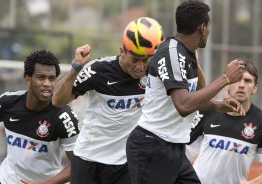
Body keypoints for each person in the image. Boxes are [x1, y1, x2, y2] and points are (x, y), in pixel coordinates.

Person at [125, 1, 246, 184]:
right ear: (203, 27)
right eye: (209, 26)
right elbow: (183, 105)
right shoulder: (171, 53)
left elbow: (188, 99)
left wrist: (216, 105)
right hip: (152, 146)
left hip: (172, 147)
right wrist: (225, 79)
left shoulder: (187, 54)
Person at [52, 17, 164, 184]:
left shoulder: (155, 72)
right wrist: (76, 67)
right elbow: (57, 101)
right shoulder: (99, 70)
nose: (140, 67)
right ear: (122, 51)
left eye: (145, 60)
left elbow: (195, 91)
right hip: (88, 159)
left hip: (126, 163)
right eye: (135, 60)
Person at [0, 49, 80, 184]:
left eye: (52, 78)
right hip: (6, 179)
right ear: (28, 78)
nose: (47, 84)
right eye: (41, 77)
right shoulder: (8, 101)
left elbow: (78, 164)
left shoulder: (64, 117)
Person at [187, 61, 262, 184]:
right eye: (237, 80)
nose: (241, 85)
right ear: (227, 85)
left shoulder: (259, 121)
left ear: (255, 88)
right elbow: (184, 152)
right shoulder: (208, 111)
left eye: (248, 81)